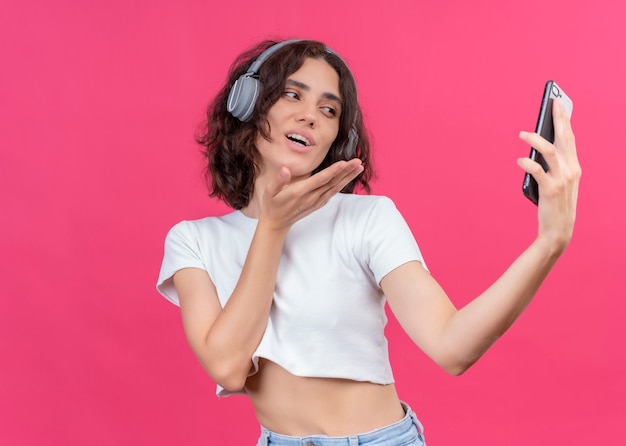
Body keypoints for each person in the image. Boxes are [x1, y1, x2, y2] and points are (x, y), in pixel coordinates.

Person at [157, 39, 581, 446]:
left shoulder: (368, 220)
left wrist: (549, 242)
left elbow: (453, 348)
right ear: (247, 103)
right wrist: (272, 227)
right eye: (292, 95)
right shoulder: (194, 241)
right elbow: (229, 369)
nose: (311, 116)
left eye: (329, 109)